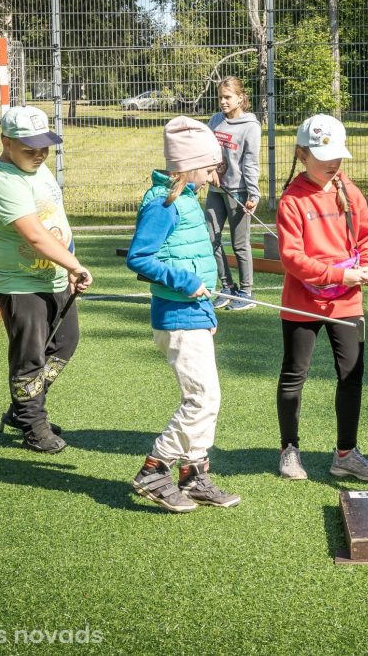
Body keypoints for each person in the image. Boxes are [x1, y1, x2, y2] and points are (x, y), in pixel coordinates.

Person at [124, 116, 240, 513]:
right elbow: (140, 257)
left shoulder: (188, 198)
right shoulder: (164, 203)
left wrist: (207, 313)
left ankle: (194, 475)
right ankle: (154, 469)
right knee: (201, 398)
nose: (213, 173)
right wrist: (186, 282)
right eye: (209, 166)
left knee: (208, 397)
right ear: (189, 165)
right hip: (176, 314)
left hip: (195, 314)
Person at [274, 114, 368, 482]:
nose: (333, 163)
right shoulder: (292, 200)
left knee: (352, 375)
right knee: (294, 375)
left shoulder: (349, 190)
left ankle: (346, 454)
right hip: (301, 302)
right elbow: (292, 258)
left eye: (337, 155)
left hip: (347, 301)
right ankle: (289, 449)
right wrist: (338, 275)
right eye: (324, 157)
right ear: (302, 155)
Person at [0, 105, 93, 454]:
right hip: (21, 286)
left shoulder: (37, 168)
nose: (40, 154)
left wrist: (69, 267)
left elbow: (57, 221)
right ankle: (32, 423)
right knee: (29, 358)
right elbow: (34, 236)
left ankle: (23, 407)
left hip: (54, 277)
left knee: (65, 344)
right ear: (6, 142)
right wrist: (75, 265)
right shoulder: (5, 182)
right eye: (30, 148)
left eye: (44, 146)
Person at [205, 76, 262, 311]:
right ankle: (227, 287)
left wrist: (253, 194)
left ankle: (246, 292)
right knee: (211, 239)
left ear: (240, 97)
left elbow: (251, 162)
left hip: (238, 191)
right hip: (215, 190)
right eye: (220, 97)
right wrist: (210, 171)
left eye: (227, 97)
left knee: (240, 244)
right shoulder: (215, 120)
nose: (223, 102)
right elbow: (206, 151)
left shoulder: (251, 126)